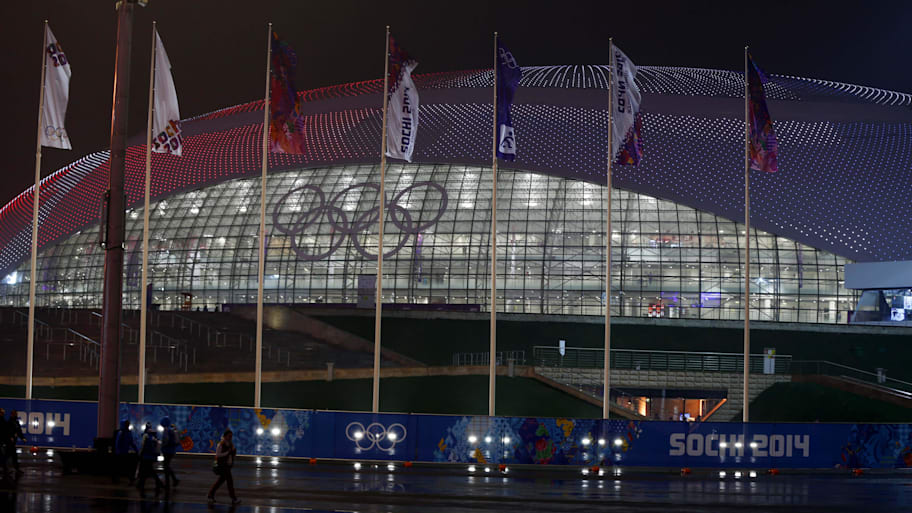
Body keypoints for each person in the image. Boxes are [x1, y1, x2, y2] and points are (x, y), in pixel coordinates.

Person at [208, 429, 240, 505]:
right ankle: (234, 499)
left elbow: (232, 454)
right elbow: (218, 455)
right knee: (230, 482)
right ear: (225, 436)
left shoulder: (230, 444)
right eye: (229, 436)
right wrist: (227, 452)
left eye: (231, 436)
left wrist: (233, 452)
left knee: (220, 482)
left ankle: (210, 495)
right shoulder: (221, 444)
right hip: (222, 466)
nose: (231, 437)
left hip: (227, 466)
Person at [136, 425, 163, 494]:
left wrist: (140, 454)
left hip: (146, 457)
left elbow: (142, 446)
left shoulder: (146, 437)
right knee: (147, 470)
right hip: (152, 457)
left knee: (147, 471)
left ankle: (158, 483)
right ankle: (141, 484)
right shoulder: (154, 439)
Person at [114, 418, 138, 483]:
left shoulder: (125, 432)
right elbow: (118, 443)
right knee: (123, 467)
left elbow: (131, 442)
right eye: (126, 424)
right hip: (121, 452)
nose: (127, 425)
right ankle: (129, 479)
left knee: (124, 467)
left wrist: (136, 449)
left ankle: (129, 479)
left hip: (123, 452)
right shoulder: (122, 432)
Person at [160, 417, 180, 488]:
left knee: (166, 467)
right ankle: (174, 480)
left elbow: (166, 440)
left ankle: (168, 484)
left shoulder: (166, 430)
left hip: (167, 451)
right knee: (167, 466)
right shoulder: (172, 430)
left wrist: (161, 446)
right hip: (172, 451)